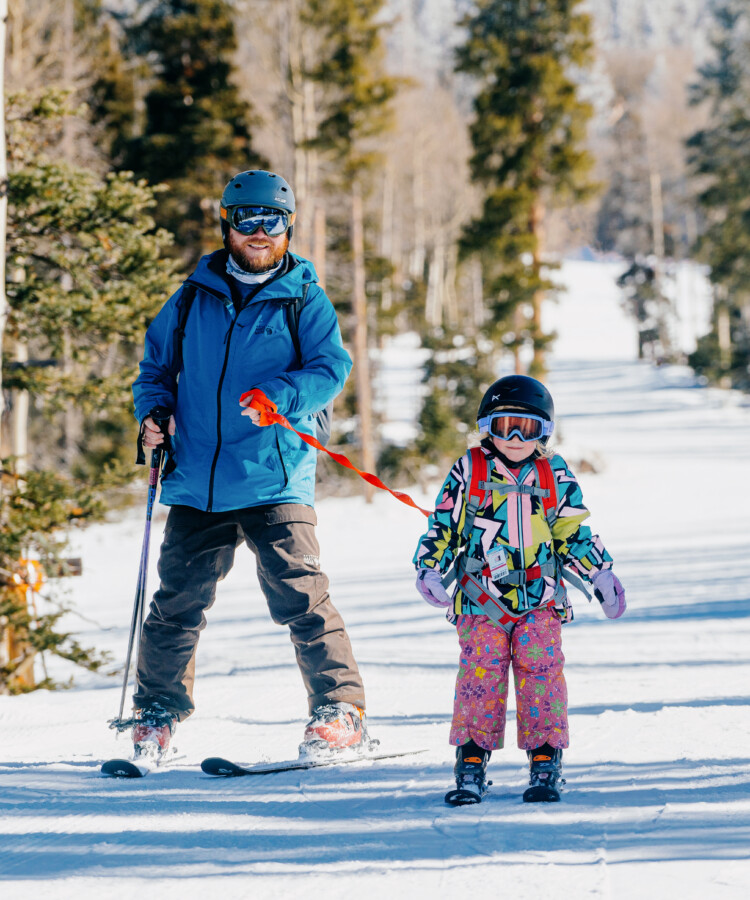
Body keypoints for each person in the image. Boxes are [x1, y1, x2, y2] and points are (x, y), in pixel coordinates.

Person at [130, 169, 368, 760]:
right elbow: (154, 368)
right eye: (247, 220)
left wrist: (282, 396)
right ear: (227, 224)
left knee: (301, 597)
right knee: (175, 606)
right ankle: (156, 715)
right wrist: (153, 413)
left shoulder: (304, 297)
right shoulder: (191, 297)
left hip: (274, 475)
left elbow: (330, 368)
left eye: (273, 221)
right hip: (196, 480)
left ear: (289, 226)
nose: (260, 232)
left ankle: (341, 712)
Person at [412, 375, 626, 804]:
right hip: (480, 599)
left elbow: (572, 532)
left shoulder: (553, 473)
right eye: (505, 424)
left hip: (540, 600)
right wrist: (428, 568)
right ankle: (471, 761)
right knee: (480, 677)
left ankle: (545, 760)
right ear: (486, 425)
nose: (513, 437)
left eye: (526, 428)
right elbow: (444, 525)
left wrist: (600, 572)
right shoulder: (469, 470)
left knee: (542, 677)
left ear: (543, 432)